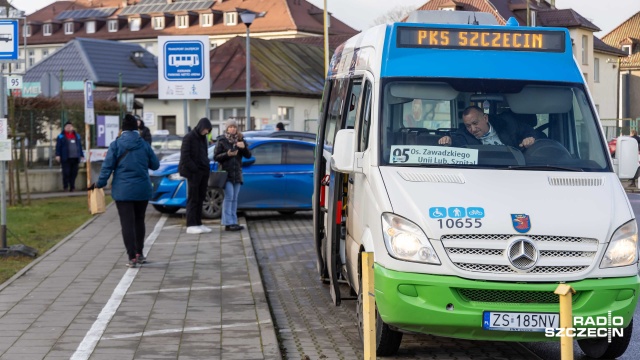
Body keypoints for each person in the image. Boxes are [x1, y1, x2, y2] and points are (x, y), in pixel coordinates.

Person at [92, 114, 159, 268]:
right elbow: (155, 165)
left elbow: (107, 167)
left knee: (127, 223)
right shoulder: (144, 144)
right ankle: (139, 253)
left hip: (123, 191)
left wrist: (100, 184)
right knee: (139, 221)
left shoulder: (116, 145)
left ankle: (131, 257)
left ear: (122, 129)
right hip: (142, 189)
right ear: (136, 129)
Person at [214, 119, 252, 231]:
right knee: (229, 197)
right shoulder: (222, 140)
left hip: (237, 173)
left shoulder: (240, 139)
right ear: (227, 128)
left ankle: (234, 221)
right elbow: (216, 156)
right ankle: (228, 223)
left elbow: (249, 156)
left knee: (235, 198)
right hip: (226, 173)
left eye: (234, 127)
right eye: (230, 127)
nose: (232, 129)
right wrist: (227, 154)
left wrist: (243, 147)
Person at [438, 106, 537, 148]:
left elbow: (528, 131)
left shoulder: (507, 123)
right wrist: (449, 140)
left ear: (485, 118)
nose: (472, 129)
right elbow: (457, 140)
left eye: (475, 123)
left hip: (514, 169)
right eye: (468, 126)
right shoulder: (464, 134)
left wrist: (529, 139)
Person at [179, 118, 213, 235]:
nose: (206, 132)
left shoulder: (203, 139)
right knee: (193, 198)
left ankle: (198, 223)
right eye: (205, 129)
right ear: (200, 127)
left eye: (208, 130)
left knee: (201, 198)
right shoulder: (189, 137)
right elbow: (185, 157)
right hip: (194, 173)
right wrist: (195, 169)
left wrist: (206, 167)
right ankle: (191, 224)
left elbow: (205, 154)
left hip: (203, 172)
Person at [55, 121, 84, 192]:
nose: (69, 128)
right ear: (64, 128)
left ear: (72, 127)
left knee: (74, 173)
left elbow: (79, 146)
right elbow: (58, 146)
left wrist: (81, 155)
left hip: (75, 158)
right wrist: (57, 155)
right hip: (65, 158)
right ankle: (65, 187)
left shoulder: (77, 136)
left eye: (70, 126)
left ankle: (72, 187)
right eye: (67, 126)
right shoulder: (61, 136)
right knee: (66, 173)